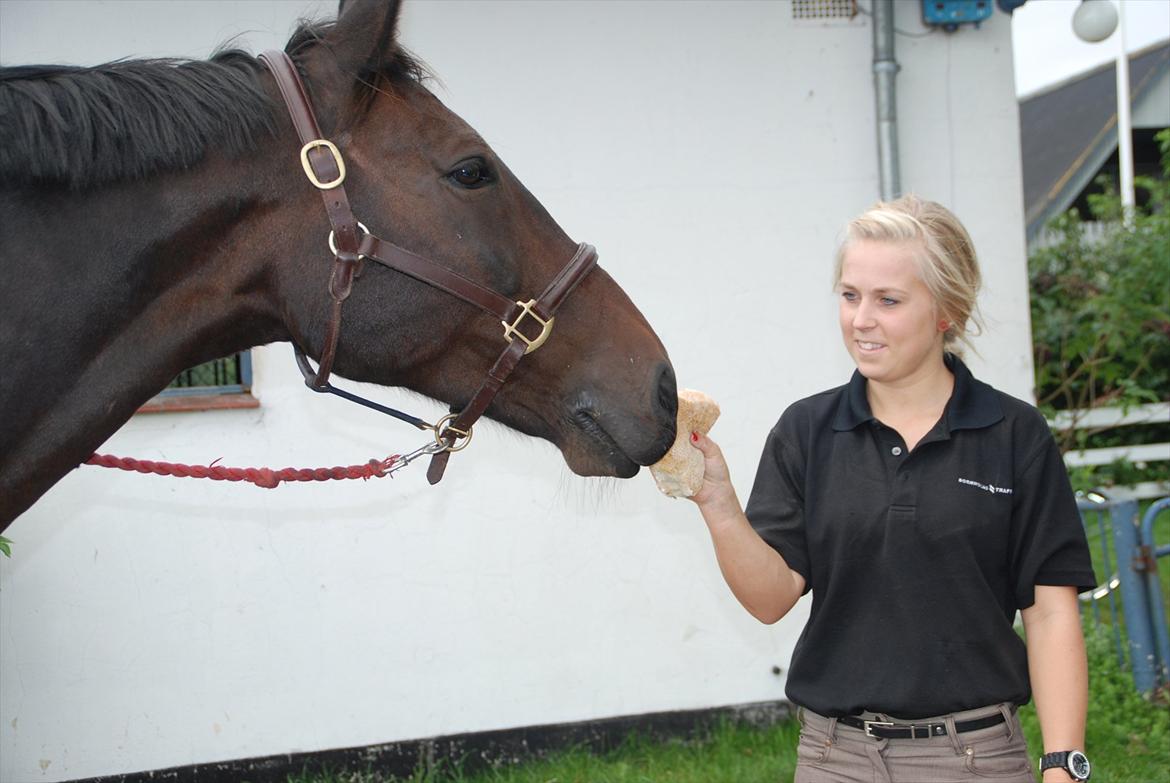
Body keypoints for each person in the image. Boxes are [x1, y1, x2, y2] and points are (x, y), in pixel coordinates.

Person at [688, 195, 1096, 783]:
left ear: (946, 310)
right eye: (850, 295)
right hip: (836, 758)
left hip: (975, 758)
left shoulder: (1014, 434)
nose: (861, 319)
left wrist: (1063, 767)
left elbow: (1051, 614)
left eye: (889, 300)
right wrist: (719, 505)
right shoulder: (807, 430)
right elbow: (770, 598)